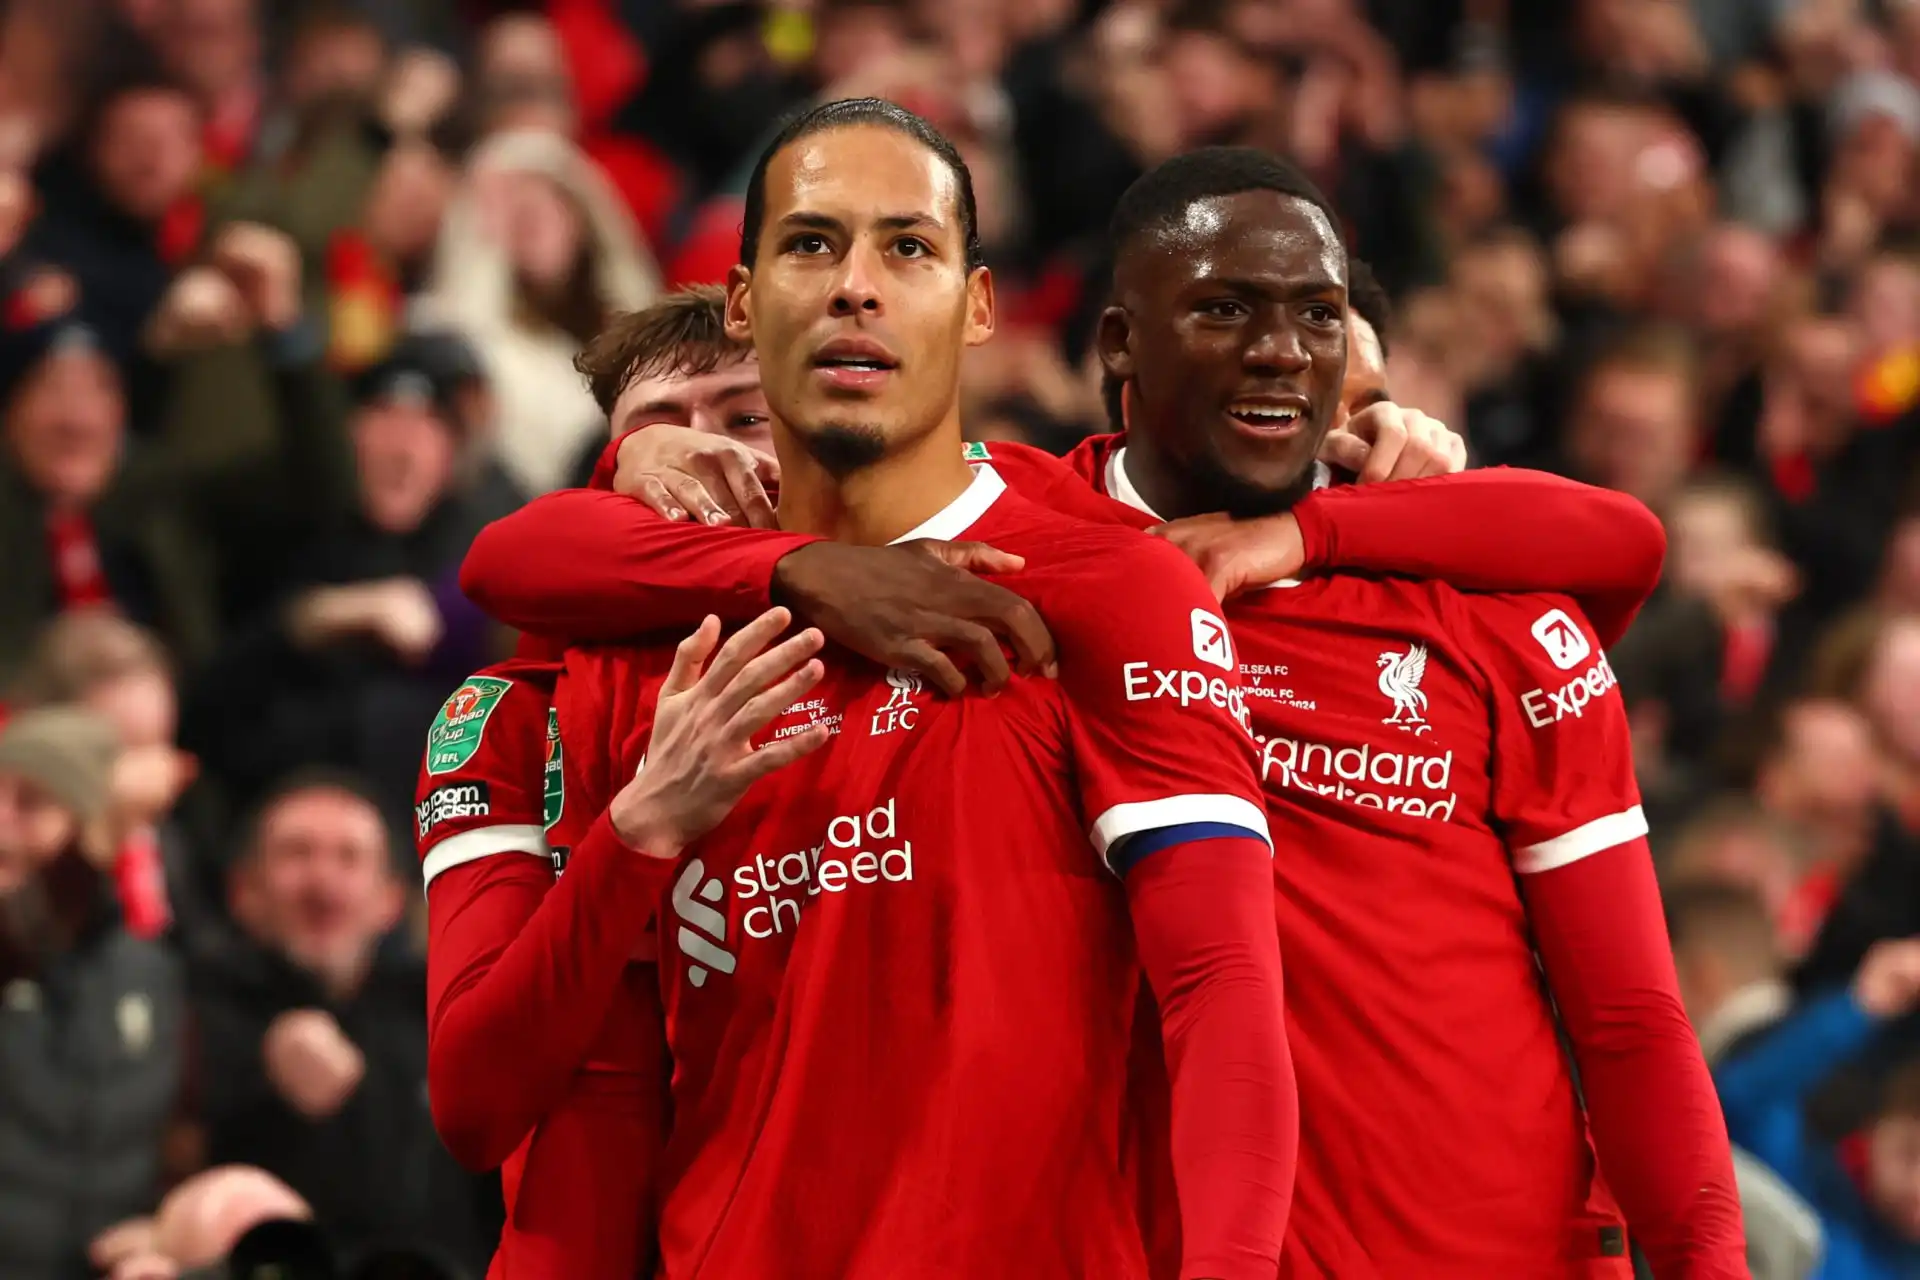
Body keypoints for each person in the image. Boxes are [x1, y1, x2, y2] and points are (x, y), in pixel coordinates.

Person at [465, 139, 1745, 1277]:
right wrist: (662, 474)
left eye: (1322, 329)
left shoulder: (1485, 605)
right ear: (1120, 346)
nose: (1282, 358)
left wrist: (1316, 530)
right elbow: (528, 558)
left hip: (1485, 1245)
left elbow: (1623, 550)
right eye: (1231, 312)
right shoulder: (1024, 554)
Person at [546, 99, 1297, 1278]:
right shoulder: (653, 641)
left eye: (908, 247)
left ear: (979, 304)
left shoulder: (1108, 582)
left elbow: (1223, 989)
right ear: (742, 302)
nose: (857, 285)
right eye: (811, 243)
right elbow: (590, 1095)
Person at [196, 772, 493, 1275]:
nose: (323, 883)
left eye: (349, 858)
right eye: (296, 853)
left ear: (391, 901)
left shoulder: (447, 1012)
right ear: (243, 891)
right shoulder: (193, 1005)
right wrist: (259, 1081)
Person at [0, 706, 185, 1280]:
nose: (0, 824)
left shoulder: (149, 969)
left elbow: (180, 1139)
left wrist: (165, 1234)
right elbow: (27, 934)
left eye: (29, 804)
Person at [1718, 937, 1920, 1279]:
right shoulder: (1805, 1185)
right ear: (1873, 1128)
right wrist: (1862, 1003)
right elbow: (1743, 1099)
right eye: (1909, 1152)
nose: (1917, 1184)